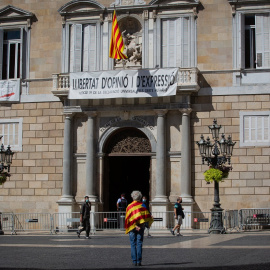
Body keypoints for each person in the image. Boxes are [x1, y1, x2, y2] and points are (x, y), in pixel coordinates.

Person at [125, 190, 154, 266]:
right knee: (139, 243)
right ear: (140, 197)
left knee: (133, 244)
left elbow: (128, 218)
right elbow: (146, 216)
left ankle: (134, 261)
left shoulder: (129, 206)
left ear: (132, 197)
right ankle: (139, 261)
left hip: (132, 227)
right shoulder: (143, 205)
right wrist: (140, 226)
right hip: (141, 227)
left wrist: (135, 226)